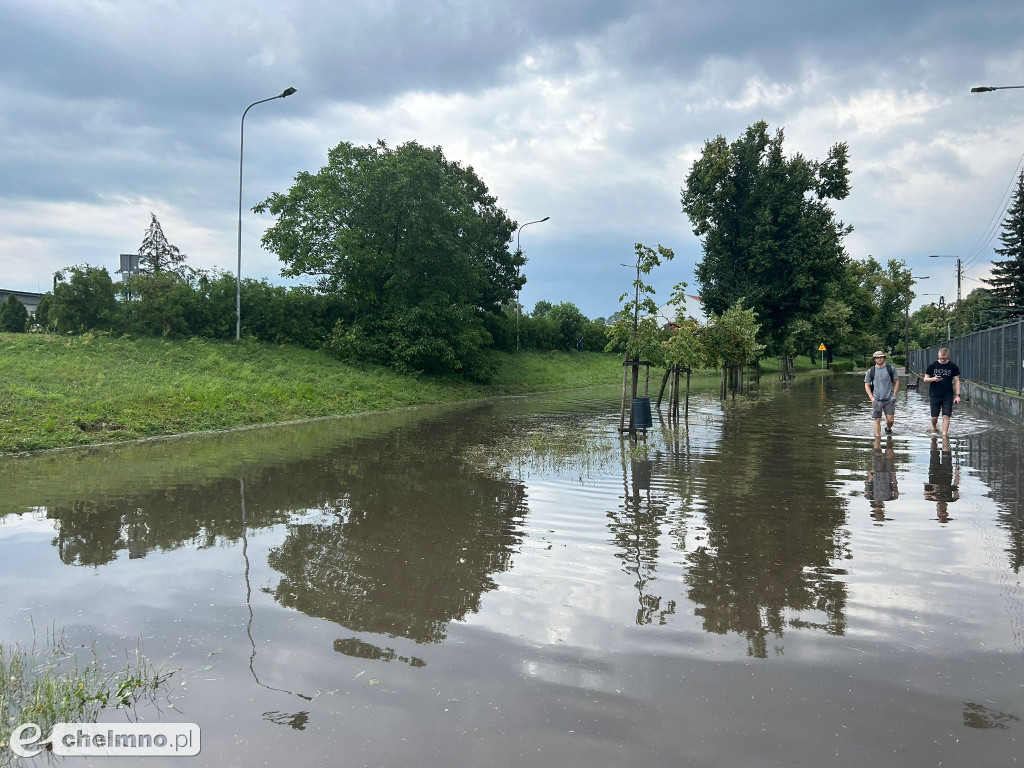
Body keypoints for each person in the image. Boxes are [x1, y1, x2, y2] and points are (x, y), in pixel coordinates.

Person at [922, 347, 961, 435]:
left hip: (948, 395)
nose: (942, 360)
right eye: (941, 358)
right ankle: (934, 427)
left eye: (945, 358)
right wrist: (934, 379)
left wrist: (958, 395)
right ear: (938, 356)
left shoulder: (953, 366)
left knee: (946, 415)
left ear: (948, 356)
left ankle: (944, 435)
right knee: (934, 417)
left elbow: (957, 381)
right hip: (934, 394)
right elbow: (925, 379)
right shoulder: (932, 366)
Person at [864, 351, 899, 436]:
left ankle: (888, 428)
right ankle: (877, 439)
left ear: (884, 358)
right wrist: (871, 397)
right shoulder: (871, 371)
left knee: (890, 420)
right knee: (877, 419)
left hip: (889, 399)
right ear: (874, 359)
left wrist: (894, 394)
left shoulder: (891, 369)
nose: (879, 359)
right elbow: (867, 385)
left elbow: (896, 381)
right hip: (877, 399)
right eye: (877, 358)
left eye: (881, 357)